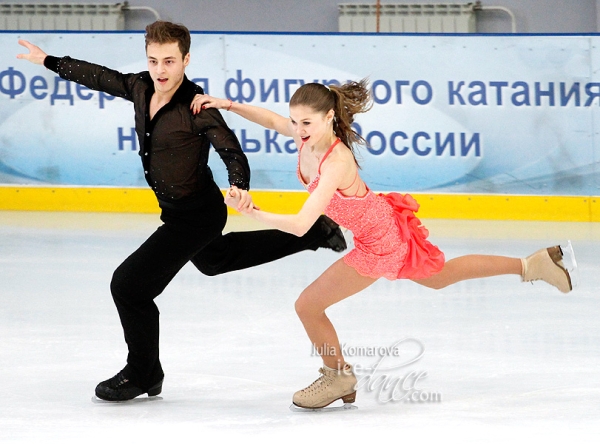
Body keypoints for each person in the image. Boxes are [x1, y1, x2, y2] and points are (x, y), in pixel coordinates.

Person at [193, 79, 576, 410]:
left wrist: (253, 212)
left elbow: (301, 224)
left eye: (305, 123)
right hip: (381, 224)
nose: (296, 129)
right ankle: (532, 265)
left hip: (380, 243)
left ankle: (338, 377)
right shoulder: (305, 137)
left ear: (328, 119)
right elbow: (272, 119)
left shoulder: (336, 160)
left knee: (308, 305)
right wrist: (227, 104)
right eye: (294, 121)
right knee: (440, 277)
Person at [16, 21, 347, 402]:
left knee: (129, 286)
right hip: (177, 210)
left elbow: (231, 151)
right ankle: (315, 233)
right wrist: (49, 61)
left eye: (170, 61)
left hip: (197, 214)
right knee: (214, 259)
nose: (161, 70)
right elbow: (100, 76)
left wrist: (239, 185)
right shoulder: (140, 87)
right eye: (154, 60)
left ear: (186, 60)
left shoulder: (196, 106)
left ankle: (144, 372)